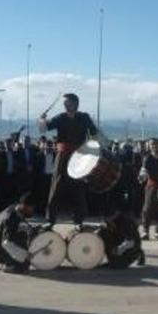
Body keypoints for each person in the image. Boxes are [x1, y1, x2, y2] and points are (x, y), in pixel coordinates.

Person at [37, 93, 98, 231]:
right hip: (63, 155)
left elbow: (94, 133)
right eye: (64, 103)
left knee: (78, 187)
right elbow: (43, 129)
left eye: (67, 102)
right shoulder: (61, 117)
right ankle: (50, 220)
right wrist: (41, 119)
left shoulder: (84, 117)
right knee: (56, 186)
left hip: (79, 156)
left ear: (75, 103)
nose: (65, 105)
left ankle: (78, 221)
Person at [0, 192, 36, 273]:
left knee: (23, 234)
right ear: (24, 206)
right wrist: (25, 255)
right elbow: (6, 242)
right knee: (23, 265)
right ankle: (9, 265)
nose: (32, 210)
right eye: (31, 208)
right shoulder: (11, 218)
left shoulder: (15, 208)